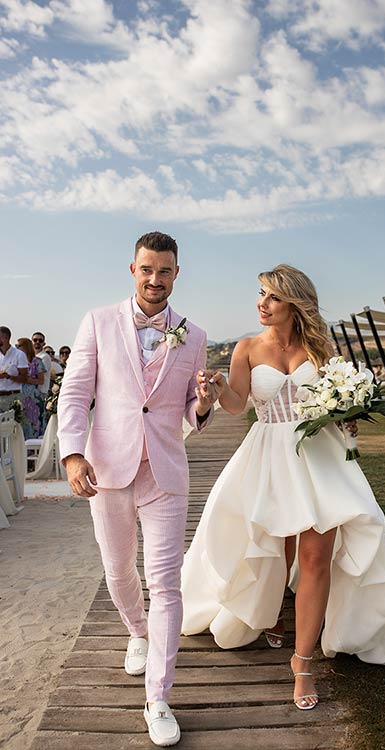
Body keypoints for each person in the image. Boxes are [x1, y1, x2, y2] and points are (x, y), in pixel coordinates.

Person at [181, 264, 385, 710]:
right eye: (260, 294)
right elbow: (235, 406)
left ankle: (301, 662)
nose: (261, 304)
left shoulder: (319, 349)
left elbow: (335, 398)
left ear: (293, 303)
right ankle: (271, 612)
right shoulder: (246, 347)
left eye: (271, 297)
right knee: (277, 540)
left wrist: (349, 412)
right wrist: (219, 388)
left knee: (316, 551)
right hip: (267, 451)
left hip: (317, 452)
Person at [57, 231, 218, 747]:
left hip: (166, 471)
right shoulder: (98, 322)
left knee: (165, 582)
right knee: (118, 568)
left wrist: (205, 403)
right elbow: (77, 391)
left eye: (165, 271)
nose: (155, 279)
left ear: (177, 273)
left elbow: (190, 416)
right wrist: (73, 452)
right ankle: (137, 632)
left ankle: (159, 698)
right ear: (133, 269)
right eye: (147, 269)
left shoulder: (194, 335)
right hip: (108, 468)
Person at [16, 338, 47, 438]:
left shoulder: (37, 361)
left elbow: (41, 380)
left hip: (33, 397)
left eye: (19, 345)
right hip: (18, 395)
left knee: (34, 423)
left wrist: (27, 380)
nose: (17, 348)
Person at [0, 326, 28, 412]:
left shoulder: (19, 355)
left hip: (13, 397)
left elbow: (24, 378)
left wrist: (8, 376)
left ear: (5, 338)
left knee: (14, 425)